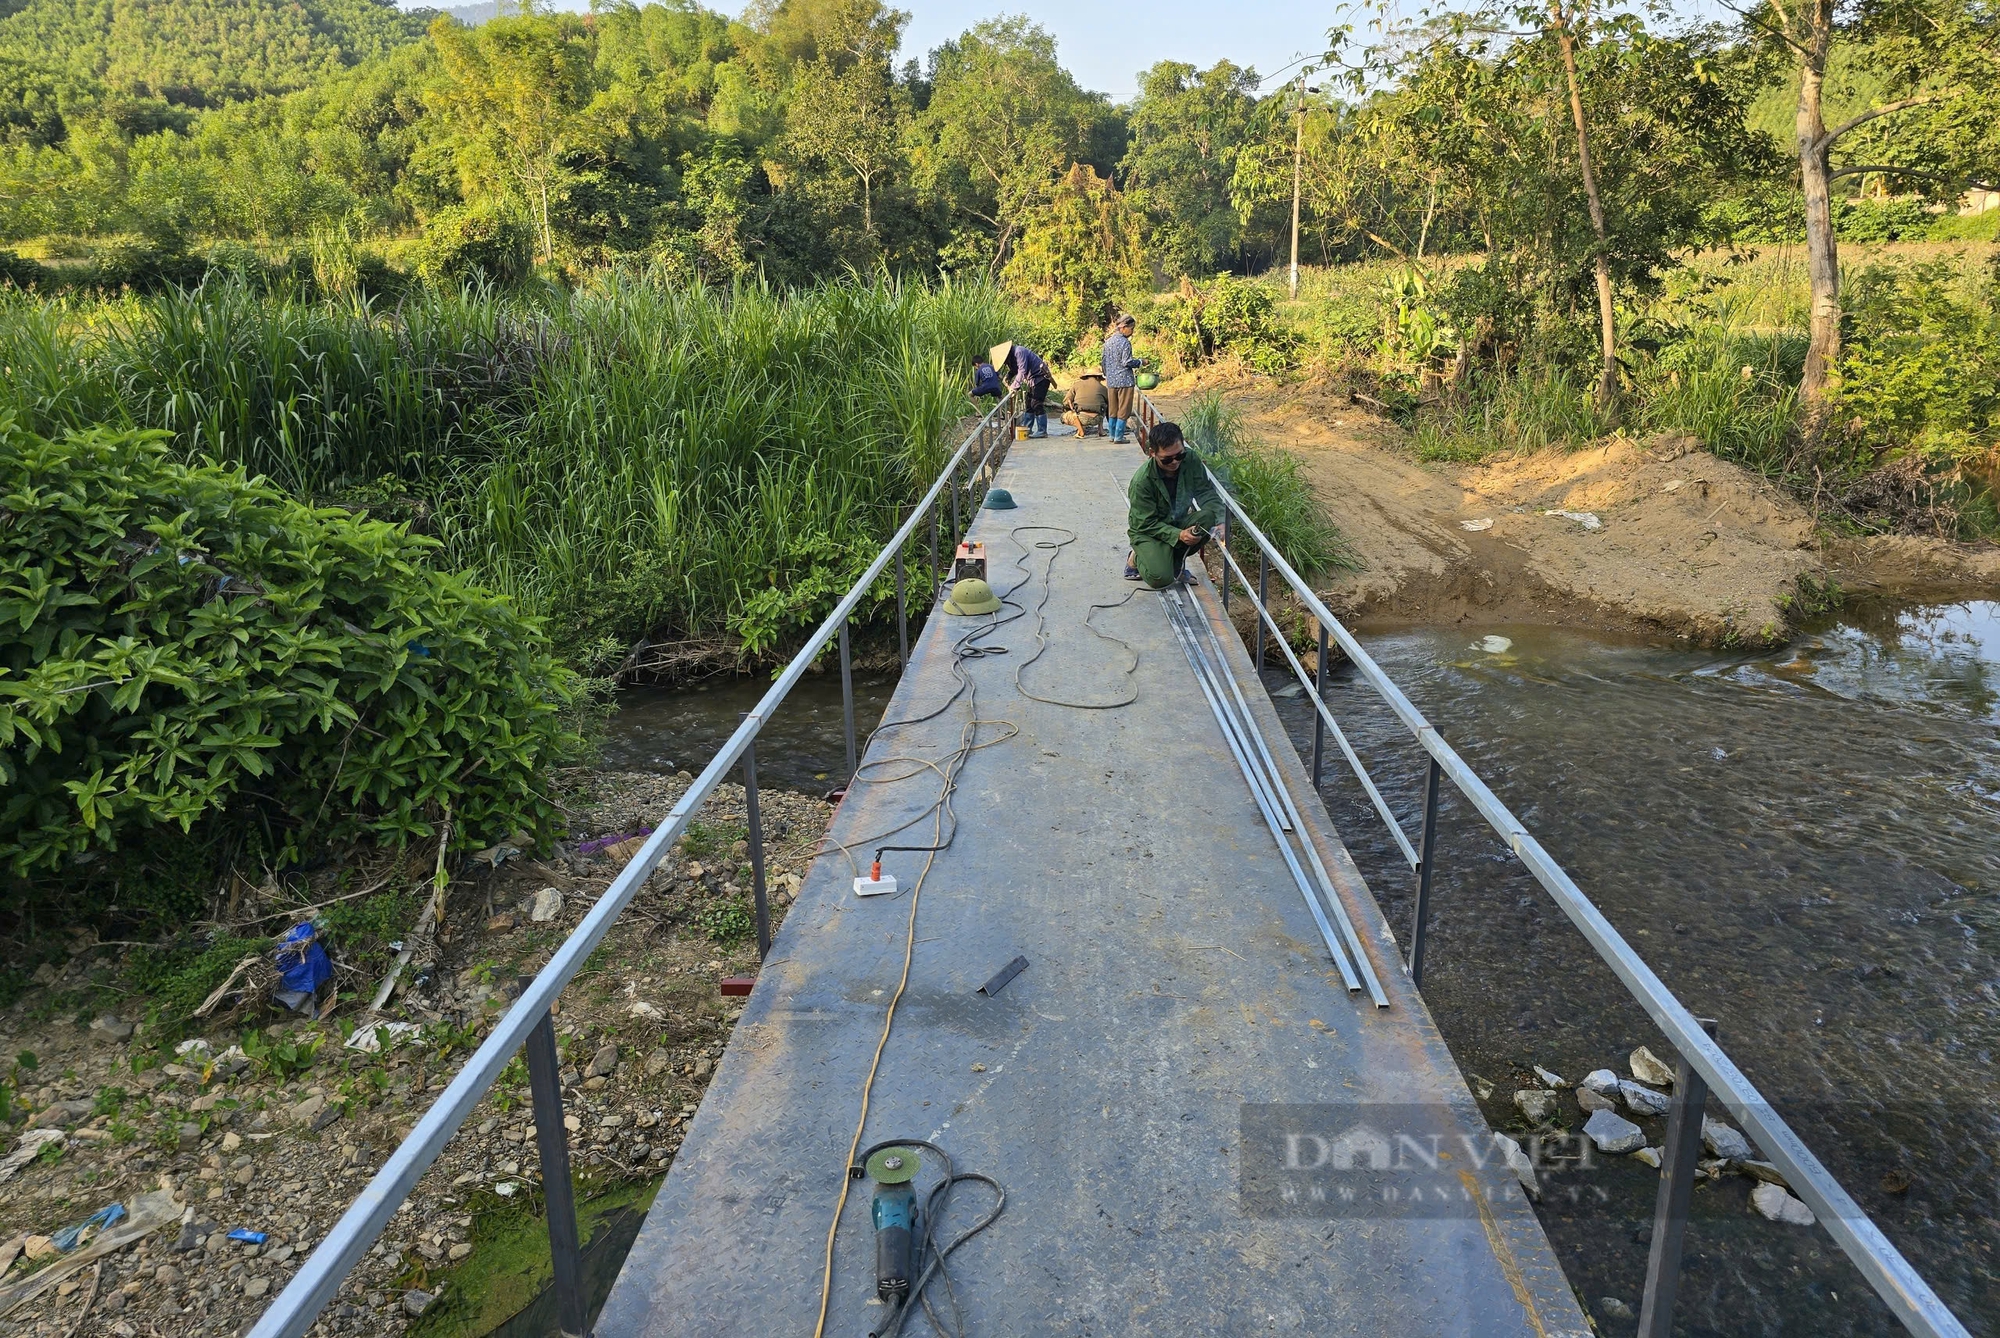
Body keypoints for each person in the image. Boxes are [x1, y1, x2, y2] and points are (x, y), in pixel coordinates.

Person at [1125, 420, 1220, 587]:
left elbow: (1204, 492)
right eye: (1167, 459)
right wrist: (1178, 535)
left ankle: (1174, 563)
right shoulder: (1142, 482)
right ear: (1152, 453)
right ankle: (1137, 557)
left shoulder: (1190, 460)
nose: (1175, 462)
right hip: (1148, 531)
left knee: (1207, 517)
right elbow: (1145, 524)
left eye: (1180, 455)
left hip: (1176, 522)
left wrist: (1221, 521)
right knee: (1160, 579)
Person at [991, 341, 1053, 437]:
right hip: (1032, 380)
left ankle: (1042, 431)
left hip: (1041, 378)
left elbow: (1022, 370)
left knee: (1036, 403)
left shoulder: (1019, 352)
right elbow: (1015, 369)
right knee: (1029, 404)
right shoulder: (1013, 357)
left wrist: (1014, 386)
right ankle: (1027, 429)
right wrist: (1008, 376)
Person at [1101, 315, 1141, 443]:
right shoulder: (1125, 343)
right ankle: (1119, 436)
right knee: (1124, 409)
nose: (1132, 332)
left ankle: (1112, 435)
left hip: (1111, 381)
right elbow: (1127, 362)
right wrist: (1140, 362)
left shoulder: (1108, 342)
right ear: (1124, 327)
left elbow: (1103, 362)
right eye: (1131, 328)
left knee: (1113, 409)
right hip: (1125, 381)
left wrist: (1108, 375)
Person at [1063, 369, 1108, 436]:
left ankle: (1080, 430)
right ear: (1098, 377)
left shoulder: (1076, 385)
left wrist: (1070, 408)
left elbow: (1066, 402)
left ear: (1086, 377)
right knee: (1103, 406)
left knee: (1063, 417)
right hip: (1097, 419)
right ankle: (1101, 430)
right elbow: (1109, 403)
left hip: (1080, 418)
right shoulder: (1103, 388)